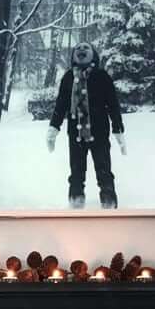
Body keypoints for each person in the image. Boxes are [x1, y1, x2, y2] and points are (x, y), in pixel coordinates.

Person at [47, 42, 126, 209]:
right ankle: (76, 203)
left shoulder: (102, 76)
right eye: (78, 49)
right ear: (73, 55)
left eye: (86, 48)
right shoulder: (68, 77)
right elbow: (61, 104)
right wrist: (53, 128)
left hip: (99, 133)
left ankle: (109, 203)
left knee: (103, 170)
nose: (81, 50)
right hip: (75, 134)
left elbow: (113, 104)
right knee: (76, 172)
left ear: (93, 54)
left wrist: (118, 129)